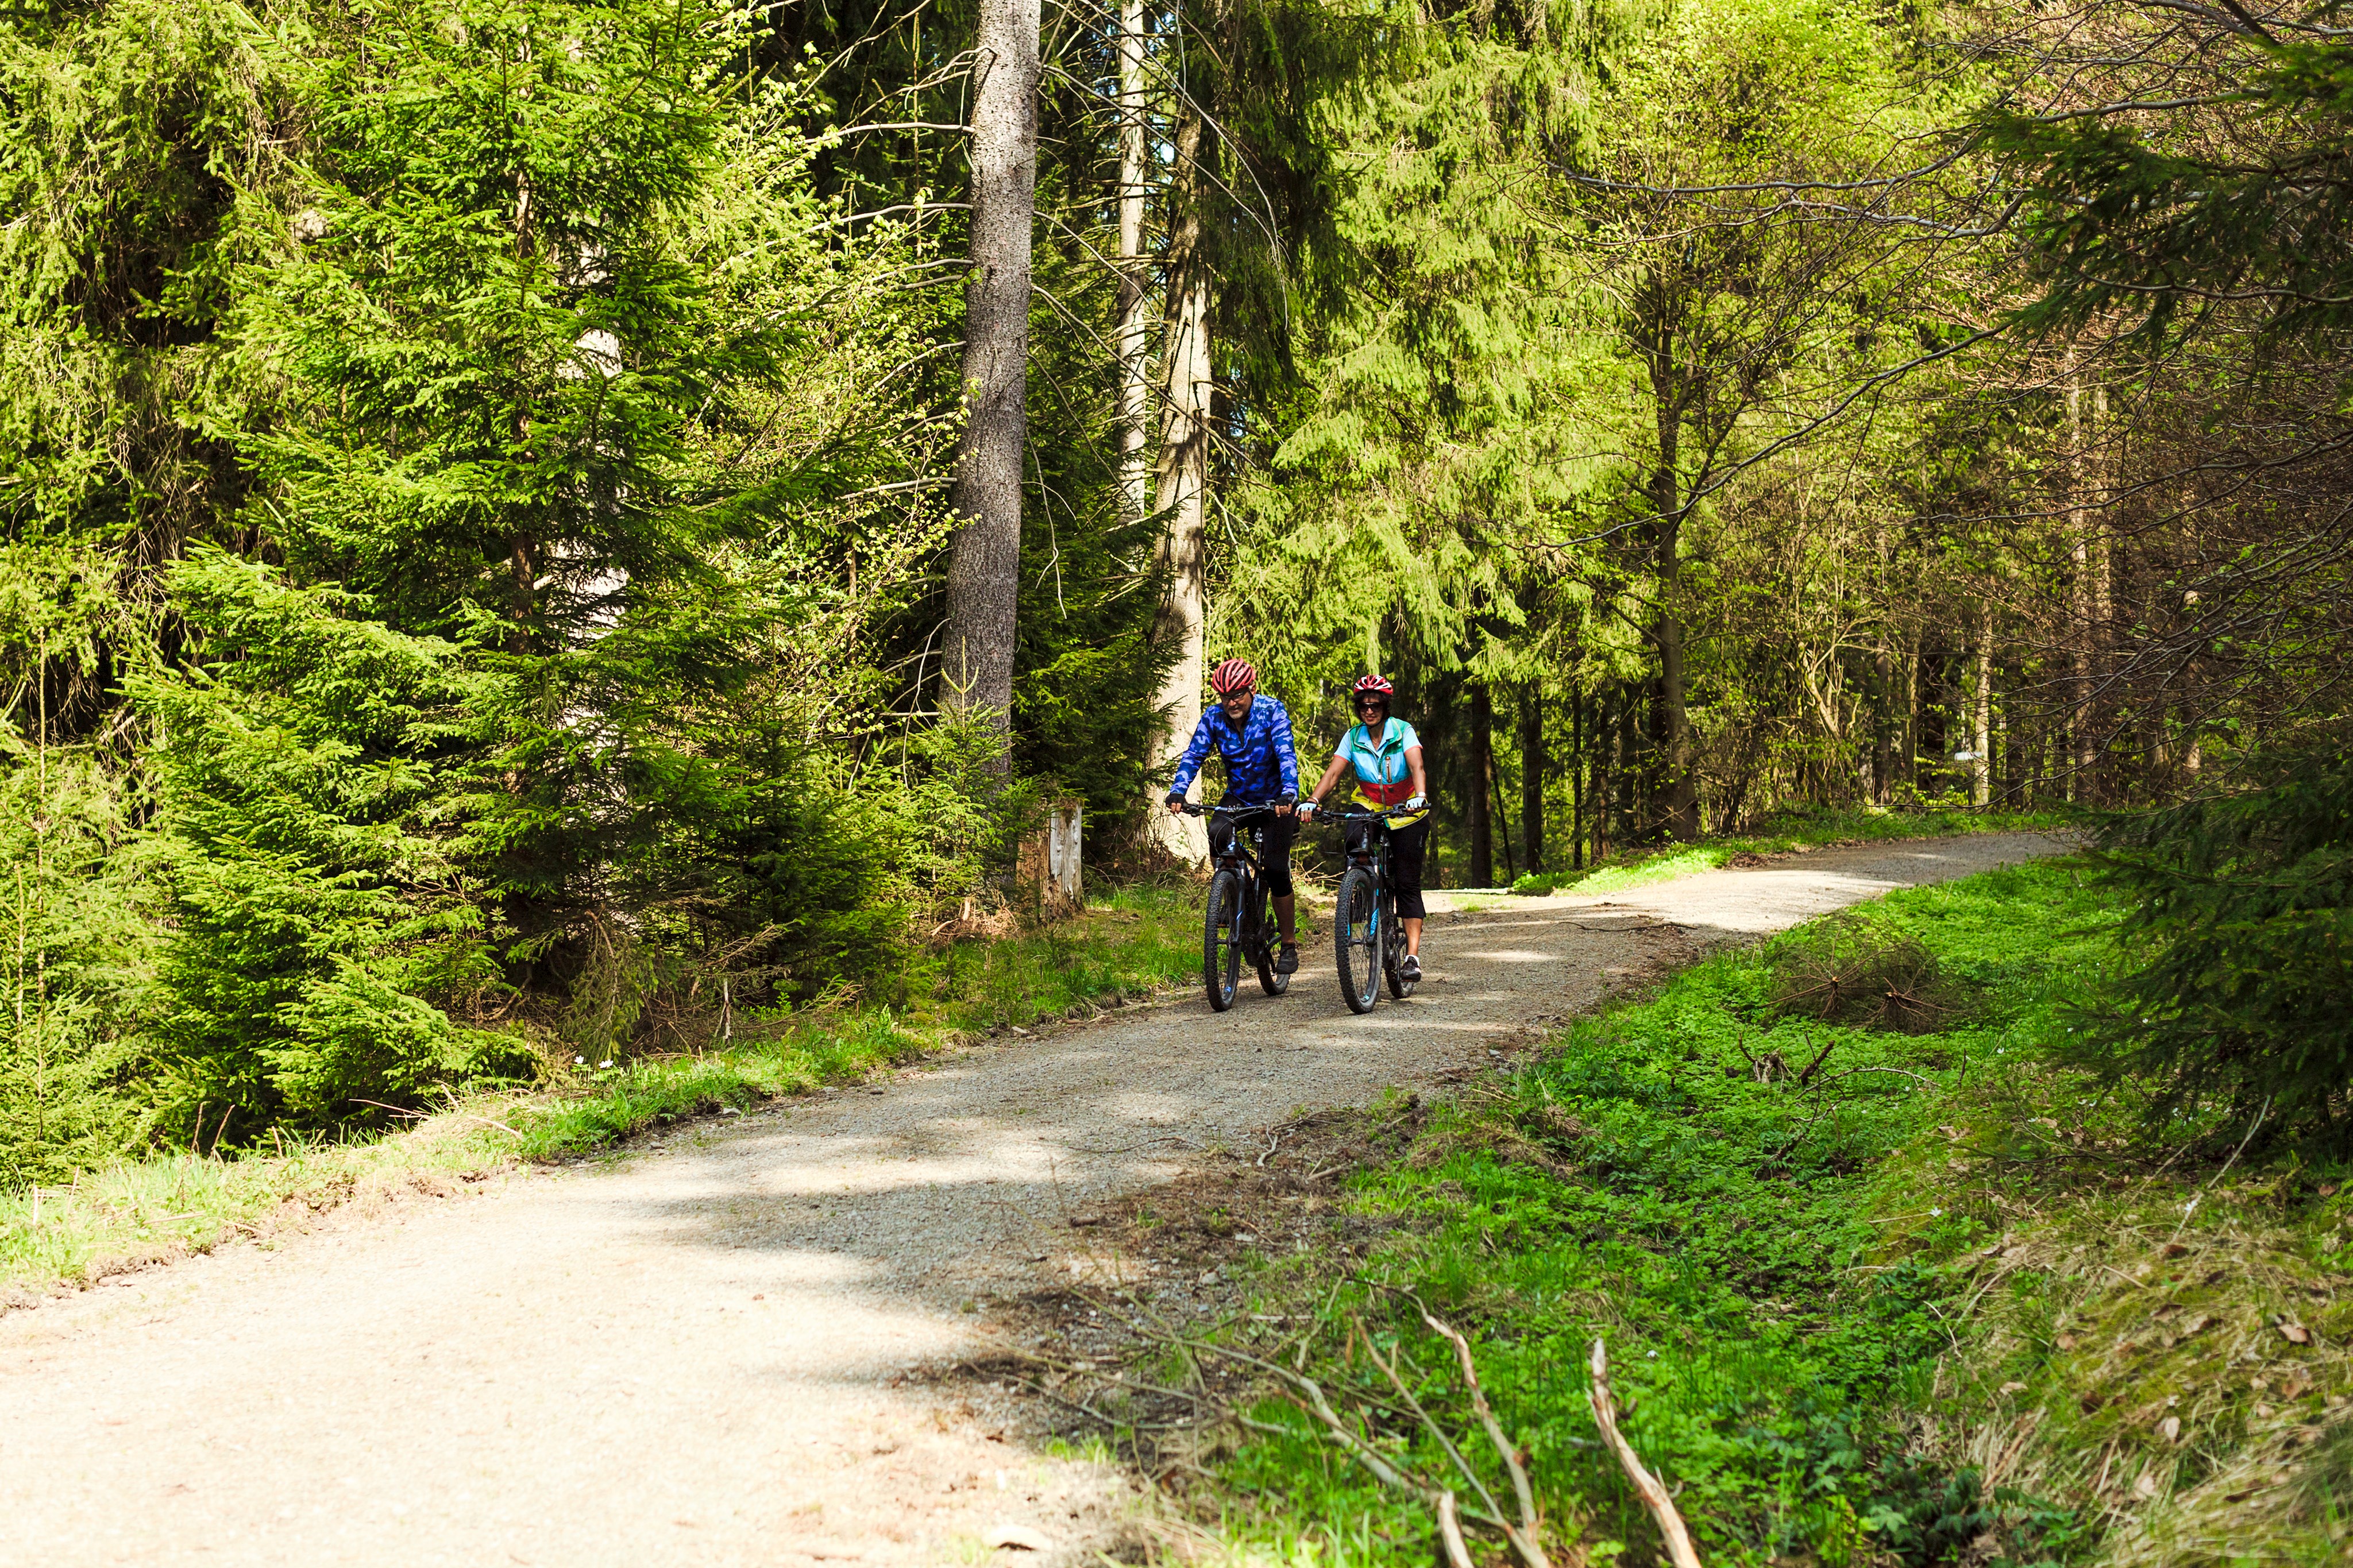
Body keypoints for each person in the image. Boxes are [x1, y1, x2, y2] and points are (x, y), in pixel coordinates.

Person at [1164, 658, 1305, 974]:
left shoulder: (1272, 711)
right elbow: (1193, 755)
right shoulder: (1213, 718)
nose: (1231, 702)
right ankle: (1230, 896)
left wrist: (1288, 794)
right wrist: (1178, 791)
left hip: (1275, 800)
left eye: (1237, 695)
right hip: (1239, 797)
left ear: (1250, 690)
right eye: (1225, 696)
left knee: (1277, 869)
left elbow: (1286, 755)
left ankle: (1289, 944)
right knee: (1217, 832)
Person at [1303, 674, 1430, 981]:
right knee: (1354, 838)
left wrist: (1421, 796)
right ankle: (1361, 889)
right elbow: (1333, 774)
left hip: (1406, 810)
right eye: (1363, 706)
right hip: (1370, 805)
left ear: (1385, 706)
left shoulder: (1403, 731)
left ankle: (1411, 957)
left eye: (1375, 705)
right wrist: (1312, 800)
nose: (1369, 710)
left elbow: (1417, 766)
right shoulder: (1353, 736)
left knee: (1407, 884)